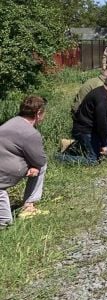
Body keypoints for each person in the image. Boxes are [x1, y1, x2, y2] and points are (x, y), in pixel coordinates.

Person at [0, 96, 48, 227]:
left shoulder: (11, 122)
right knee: (4, 223)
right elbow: (40, 159)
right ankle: (29, 206)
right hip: (3, 179)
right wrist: (34, 166)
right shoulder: (30, 133)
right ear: (38, 113)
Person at [62, 75, 107, 164]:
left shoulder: (104, 92)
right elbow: (101, 124)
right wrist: (104, 145)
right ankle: (60, 157)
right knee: (93, 161)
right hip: (85, 130)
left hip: (92, 128)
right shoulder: (101, 98)